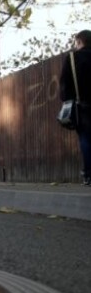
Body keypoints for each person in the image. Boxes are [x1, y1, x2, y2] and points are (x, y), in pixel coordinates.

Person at [60, 29, 91, 186]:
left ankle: (88, 174)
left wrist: (66, 101)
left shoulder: (72, 58)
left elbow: (64, 84)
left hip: (82, 105)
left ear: (79, 42)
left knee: (85, 138)